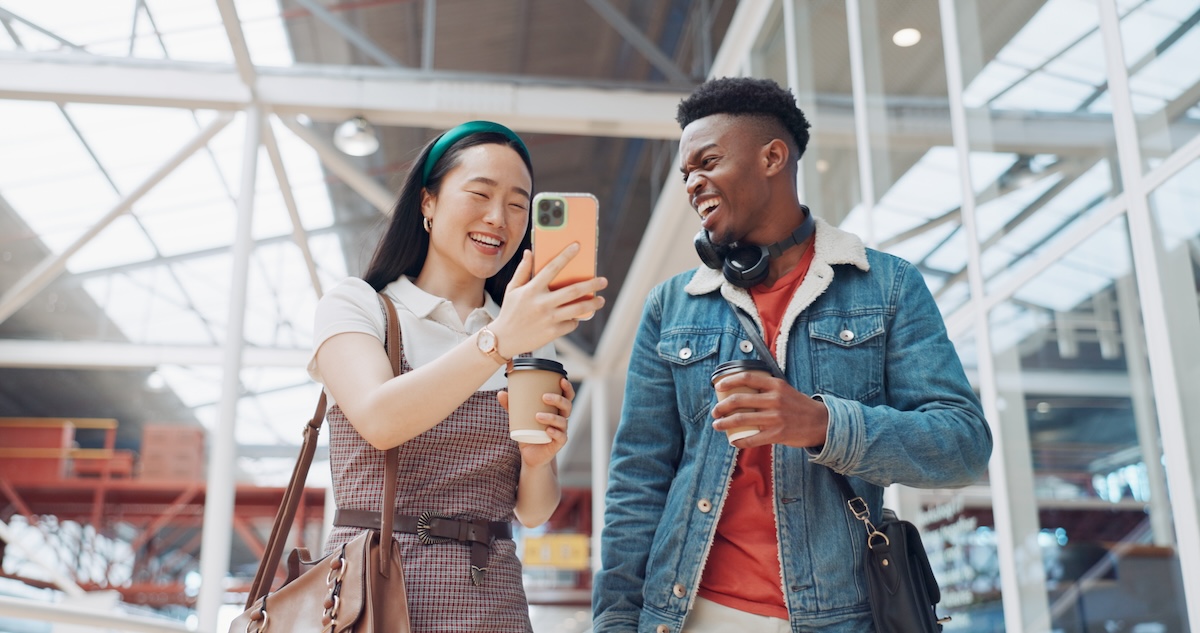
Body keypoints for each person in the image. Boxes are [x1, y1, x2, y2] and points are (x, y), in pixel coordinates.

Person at [592, 78, 992, 633]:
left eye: (708, 162)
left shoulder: (887, 286)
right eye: (686, 174)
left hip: (842, 618)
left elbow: (963, 446)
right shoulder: (671, 307)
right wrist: (613, 624)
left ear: (773, 157)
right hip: (692, 615)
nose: (693, 183)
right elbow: (638, 481)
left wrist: (822, 424)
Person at [308, 120, 607, 632]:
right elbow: (380, 419)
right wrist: (498, 341)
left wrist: (539, 461)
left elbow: (533, 513)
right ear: (427, 202)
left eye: (518, 204)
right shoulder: (360, 306)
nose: (499, 218)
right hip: (372, 596)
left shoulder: (528, 333)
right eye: (480, 194)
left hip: (493, 603)